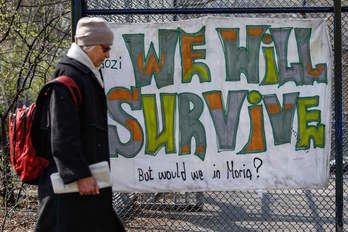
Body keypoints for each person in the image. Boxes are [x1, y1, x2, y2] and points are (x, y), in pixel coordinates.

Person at [35, 17, 125, 232]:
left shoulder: (83, 74)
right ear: (89, 46)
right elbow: (62, 133)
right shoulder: (69, 77)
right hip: (76, 189)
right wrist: (80, 174)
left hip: (86, 188)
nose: (107, 55)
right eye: (105, 48)